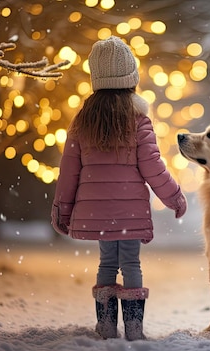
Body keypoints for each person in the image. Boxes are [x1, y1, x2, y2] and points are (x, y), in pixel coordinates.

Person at [51, 36, 187, 341]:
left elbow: (69, 172)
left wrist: (62, 209)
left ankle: (107, 326)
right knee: (131, 264)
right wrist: (174, 196)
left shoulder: (82, 121)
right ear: (130, 79)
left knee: (107, 264)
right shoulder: (138, 120)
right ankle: (135, 328)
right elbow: (153, 166)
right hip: (129, 214)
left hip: (97, 212)